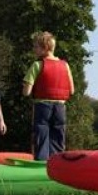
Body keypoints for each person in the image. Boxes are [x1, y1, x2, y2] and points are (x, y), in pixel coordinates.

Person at [22, 32, 75, 160]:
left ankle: (42, 165)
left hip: (42, 106)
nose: (34, 50)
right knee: (58, 137)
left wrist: (26, 86)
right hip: (60, 107)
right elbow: (72, 90)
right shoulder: (65, 65)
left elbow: (26, 92)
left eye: (36, 47)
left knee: (41, 136)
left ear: (44, 48)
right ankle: (58, 164)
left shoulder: (37, 65)